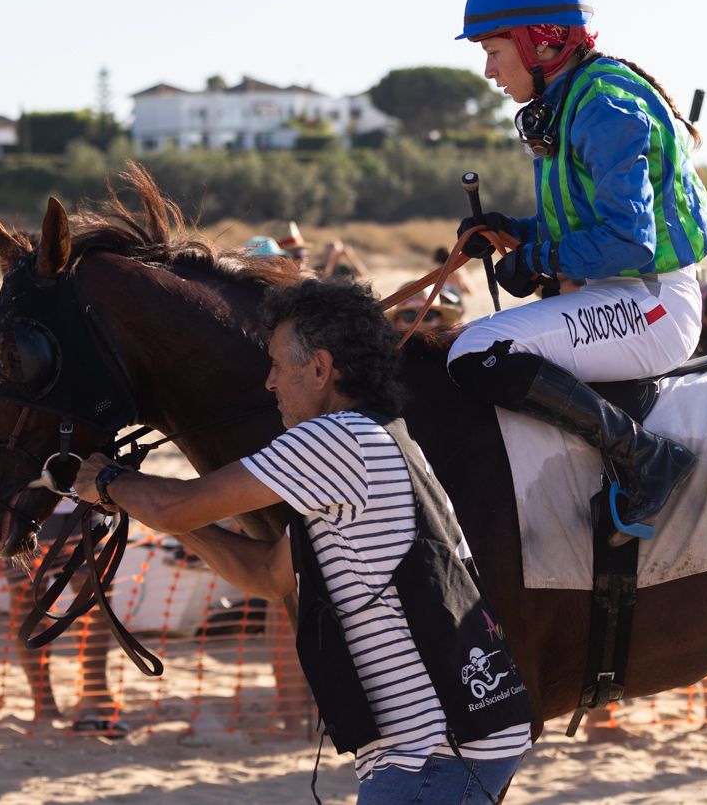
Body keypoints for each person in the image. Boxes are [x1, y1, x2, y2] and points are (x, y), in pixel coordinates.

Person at [75, 278, 532, 803]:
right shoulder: (373, 438)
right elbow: (269, 576)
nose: (268, 382)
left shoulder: (333, 440)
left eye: (276, 365)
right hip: (460, 736)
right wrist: (145, 506)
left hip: (434, 751)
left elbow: (175, 506)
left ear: (319, 368)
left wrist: (106, 480)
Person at [444, 0, 707, 543]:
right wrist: (514, 231)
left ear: (540, 44)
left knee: (474, 352)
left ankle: (646, 457)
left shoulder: (601, 105)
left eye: (493, 51)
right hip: (625, 295)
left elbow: (628, 240)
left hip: (652, 304)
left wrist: (537, 260)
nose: (488, 71)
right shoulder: (573, 99)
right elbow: (581, 226)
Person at [0, 309, 119, 733]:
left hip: (86, 489)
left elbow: (110, 403)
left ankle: (95, 697)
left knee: (96, 595)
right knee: (27, 599)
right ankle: (43, 704)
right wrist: (32, 413)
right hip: (18, 494)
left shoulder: (84, 320)